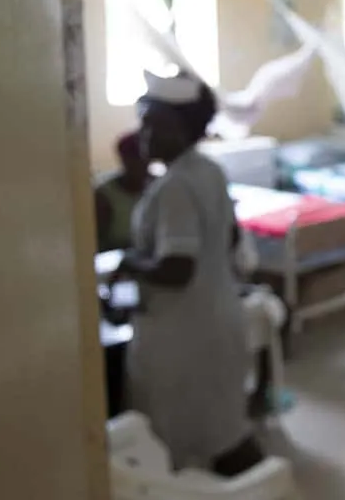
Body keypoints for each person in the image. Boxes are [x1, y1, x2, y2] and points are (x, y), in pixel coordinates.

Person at [111, 71, 263, 477]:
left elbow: (177, 269)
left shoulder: (175, 186)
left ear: (181, 129)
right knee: (225, 433)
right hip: (218, 319)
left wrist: (130, 263)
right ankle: (267, 487)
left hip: (181, 337)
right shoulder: (210, 172)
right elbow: (229, 239)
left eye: (151, 123)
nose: (142, 132)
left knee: (174, 444)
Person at [94, 132, 151, 252]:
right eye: (134, 159)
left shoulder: (160, 186)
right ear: (123, 160)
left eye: (144, 160)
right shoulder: (104, 195)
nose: (140, 165)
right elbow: (98, 243)